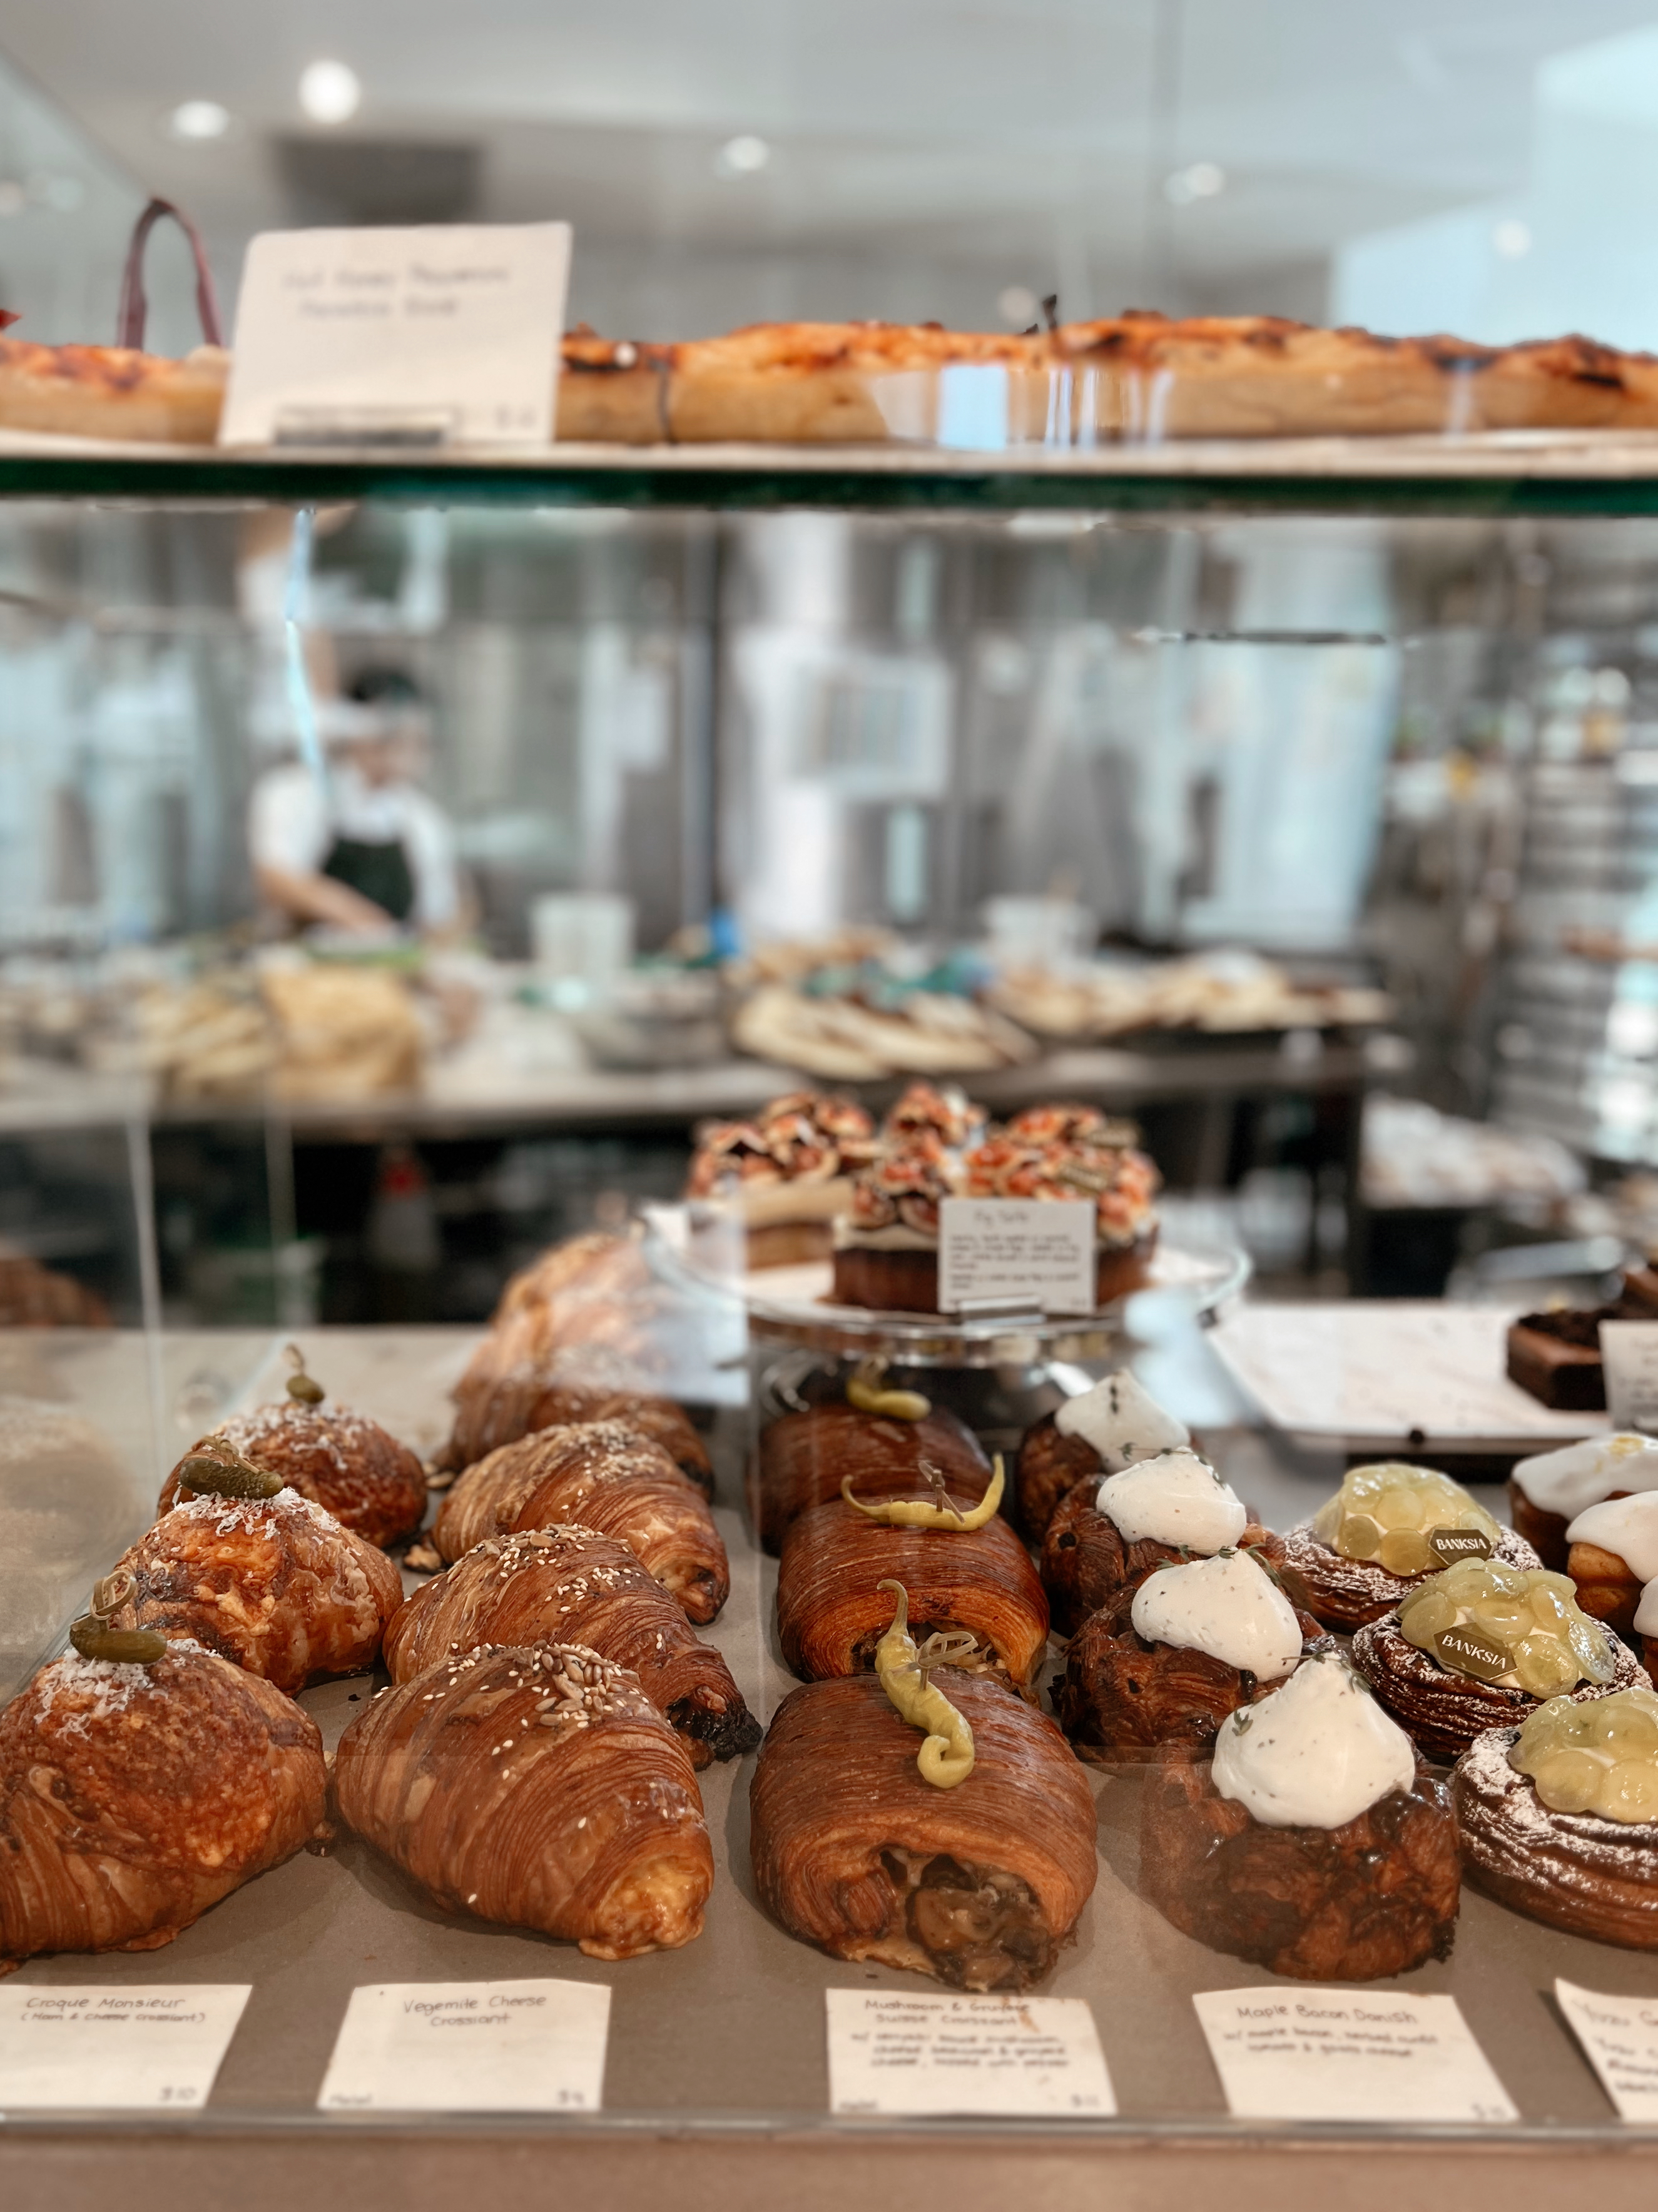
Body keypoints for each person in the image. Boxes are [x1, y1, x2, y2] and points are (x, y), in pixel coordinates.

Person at [248, 668, 463, 938]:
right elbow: (276, 881)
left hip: (389, 973)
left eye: (416, 741)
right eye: (388, 736)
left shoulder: (424, 820)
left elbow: (438, 916)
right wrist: (355, 915)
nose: (400, 754)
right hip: (301, 969)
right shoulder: (295, 792)